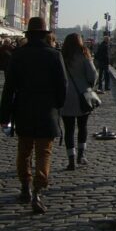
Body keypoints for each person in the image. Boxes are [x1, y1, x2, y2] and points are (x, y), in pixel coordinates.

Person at [0, 17, 67, 214]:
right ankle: (38, 190)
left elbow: (9, 88)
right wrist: (58, 105)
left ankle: (25, 187)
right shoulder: (54, 55)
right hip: (47, 110)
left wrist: (4, 114)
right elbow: (62, 85)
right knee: (44, 152)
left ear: (29, 35)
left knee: (24, 150)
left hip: (24, 109)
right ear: (45, 35)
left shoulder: (18, 55)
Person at [61, 33, 98, 170]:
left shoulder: (62, 56)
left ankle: (71, 159)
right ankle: (81, 156)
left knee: (68, 130)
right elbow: (93, 75)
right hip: (82, 95)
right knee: (83, 127)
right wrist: (88, 85)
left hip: (65, 96)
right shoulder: (84, 55)